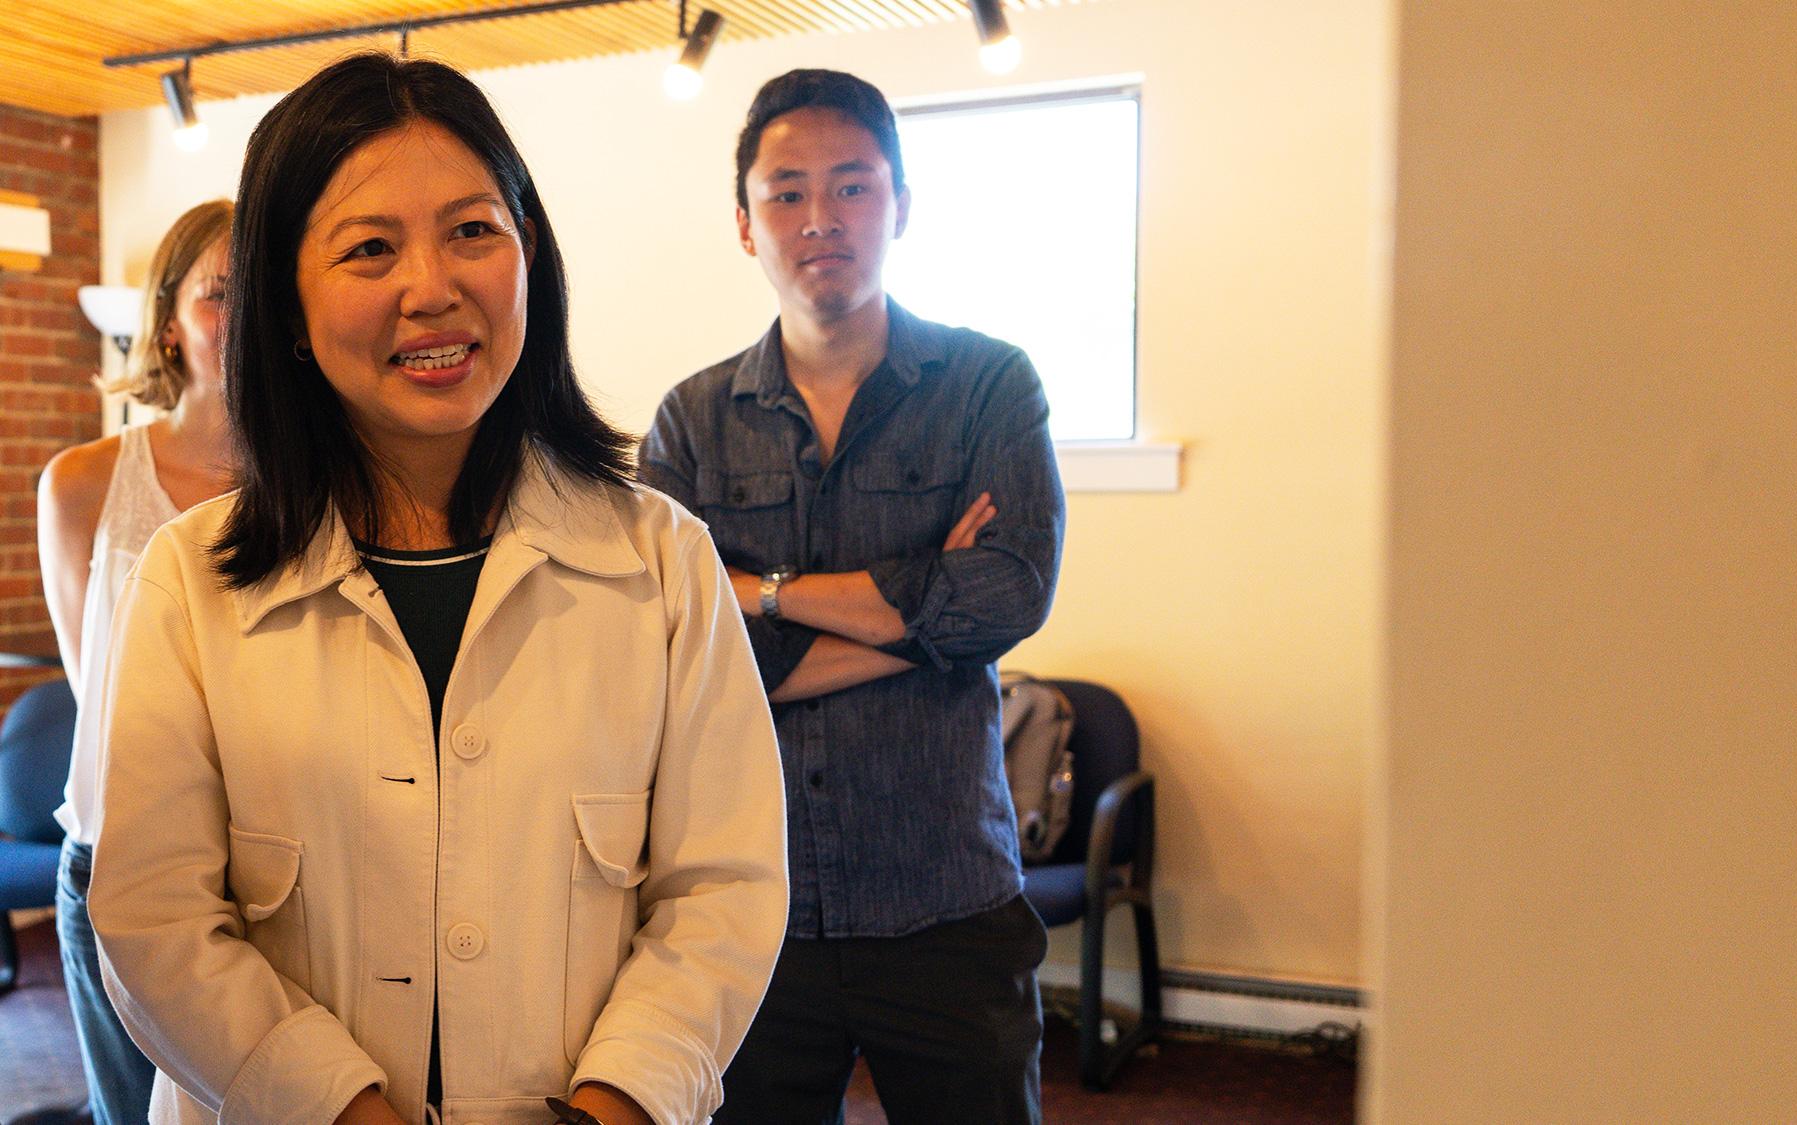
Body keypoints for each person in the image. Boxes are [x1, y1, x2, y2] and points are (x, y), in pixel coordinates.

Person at [87, 54, 786, 1125]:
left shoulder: (661, 562)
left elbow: (724, 889)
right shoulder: (190, 580)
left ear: (529, 261)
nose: (431, 287)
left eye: (472, 231)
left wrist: (619, 1103)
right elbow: (153, 920)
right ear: (285, 307)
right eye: (370, 248)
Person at [641, 69, 1065, 1123]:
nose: (818, 219)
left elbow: (1009, 593)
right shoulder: (690, 422)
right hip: (751, 905)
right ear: (744, 224)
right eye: (785, 192)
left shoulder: (988, 385)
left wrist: (756, 594)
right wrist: (929, 627)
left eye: (852, 187)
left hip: (944, 895)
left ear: (901, 205)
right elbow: (661, 646)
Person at [37, 197, 237, 1125]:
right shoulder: (82, 484)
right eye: (219, 294)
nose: (245, 321)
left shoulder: (332, 486)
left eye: (268, 294)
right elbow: (98, 687)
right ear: (169, 320)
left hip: (272, 868)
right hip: (114, 861)